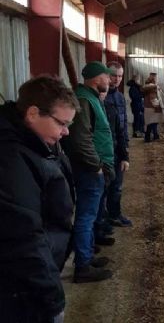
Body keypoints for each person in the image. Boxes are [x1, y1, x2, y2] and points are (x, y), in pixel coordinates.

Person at [0, 76, 79, 323]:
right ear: (33, 114)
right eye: (62, 123)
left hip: (31, 279)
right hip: (22, 290)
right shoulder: (11, 159)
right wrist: (51, 299)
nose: (66, 132)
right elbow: (24, 237)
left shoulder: (35, 143)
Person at [62, 61, 115, 283]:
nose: (110, 80)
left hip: (94, 168)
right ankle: (82, 266)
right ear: (96, 78)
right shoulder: (84, 99)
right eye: (107, 76)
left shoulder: (90, 97)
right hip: (90, 170)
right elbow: (80, 139)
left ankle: (87, 253)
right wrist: (97, 166)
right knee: (85, 215)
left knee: (90, 214)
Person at [104, 62, 132, 227]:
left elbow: (123, 123)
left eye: (120, 76)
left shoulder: (120, 97)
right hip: (106, 147)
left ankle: (115, 214)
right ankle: (103, 219)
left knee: (117, 185)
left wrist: (125, 148)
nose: (117, 79)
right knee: (104, 187)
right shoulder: (102, 97)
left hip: (118, 146)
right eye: (113, 75)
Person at [143, 72, 162, 142]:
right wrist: (157, 106)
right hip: (151, 107)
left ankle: (155, 135)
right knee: (151, 123)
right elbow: (153, 97)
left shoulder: (150, 85)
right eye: (156, 78)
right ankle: (148, 137)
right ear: (153, 78)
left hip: (149, 106)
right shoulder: (151, 86)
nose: (157, 79)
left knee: (153, 122)